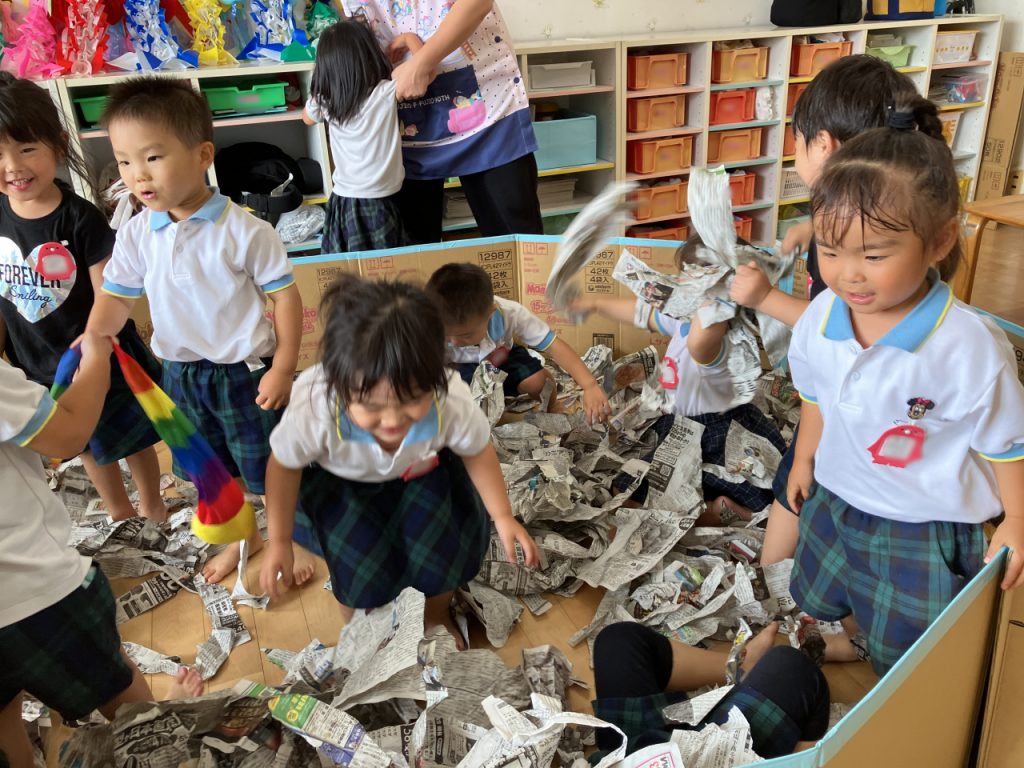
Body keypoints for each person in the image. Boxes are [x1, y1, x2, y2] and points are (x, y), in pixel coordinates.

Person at [786, 101, 1024, 678]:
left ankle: (894, 678)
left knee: (911, 642)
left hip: (921, 523)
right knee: (837, 590)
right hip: (839, 496)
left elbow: (1006, 443)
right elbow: (816, 393)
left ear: (940, 242)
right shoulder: (822, 314)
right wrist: (804, 458)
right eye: (830, 251)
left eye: (874, 255)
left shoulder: (967, 346)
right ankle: (856, 640)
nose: (849, 274)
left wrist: (1017, 519)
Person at [84, 77, 315, 586]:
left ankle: (288, 539)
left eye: (152, 157)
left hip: (244, 374)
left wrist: (282, 368)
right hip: (181, 375)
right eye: (124, 162)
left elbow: (285, 297)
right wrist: (96, 336)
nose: (138, 175)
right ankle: (244, 538)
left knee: (268, 465)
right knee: (213, 469)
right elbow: (117, 296)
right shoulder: (137, 233)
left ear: (202, 154)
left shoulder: (246, 231)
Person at [728, 55, 949, 569]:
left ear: (823, 145)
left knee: (796, 487)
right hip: (860, 404)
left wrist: (764, 299)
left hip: (856, 403)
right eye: (830, 248)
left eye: (797, 144)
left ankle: (770, 576)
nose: (844, 263)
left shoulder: (855, 283)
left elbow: (839, 328)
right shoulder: (900, 220)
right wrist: (811, 230)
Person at [259, 276, 540, 647]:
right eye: (371, 406)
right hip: (347, 494)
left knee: (441, 560)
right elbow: (283, 467)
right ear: (339, 384)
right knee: (357, 575)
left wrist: (502, 516)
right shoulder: (315, 401)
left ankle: (435, 615)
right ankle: (361, 631)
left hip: (426, 481)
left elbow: (477, 451)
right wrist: (279, 541)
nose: (392, 421)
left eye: (411, 400)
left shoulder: (449, 395)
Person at [0, 339, 202, 768]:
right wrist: (95, 363)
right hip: (36, 590)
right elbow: (68, 436)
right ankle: (154, 737)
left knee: (3, 720)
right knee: (118, 688)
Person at [0, 73, 165, 523]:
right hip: (38, 361)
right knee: (86, 444)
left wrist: (95, 346)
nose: (13, 166)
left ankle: (152, 503)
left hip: (100, 356)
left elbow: (110, 292)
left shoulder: (80, 218)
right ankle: (120, 512)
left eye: (26, 148)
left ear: (57, 145)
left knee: (131, 437)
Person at [570, 245, 787, 522]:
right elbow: (643, 314)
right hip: (681, 422)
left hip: (717, 432)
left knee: (748, 494)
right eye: (680, 277)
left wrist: (719, 298)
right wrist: (595, 304)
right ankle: (708, 501)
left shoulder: (718, 338)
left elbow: (699, 341)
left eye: (691, 280)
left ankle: (729, 510)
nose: (678, 285)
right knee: (626, 492)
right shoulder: (685, 318)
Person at [343, 0, 543, 243]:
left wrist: (421, 63)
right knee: (412, 249)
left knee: (514, 238)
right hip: (399, 102)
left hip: (488, 100)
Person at [591, 622, 829, 758]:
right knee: (790, 667)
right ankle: (800, 761)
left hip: (633, 754)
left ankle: (739, 668)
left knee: (618, 641)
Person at [426, 262, 611, 424]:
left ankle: (552, 405)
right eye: (447, 335)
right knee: (460, 407)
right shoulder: (429, 325)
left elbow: (554, 345)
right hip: (458, 367)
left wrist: (590, 385)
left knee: (539, 382)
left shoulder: (510, 313)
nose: (454, 341)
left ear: (491, 313)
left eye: (465, 335)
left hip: (501, 356)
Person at [303, 17, 408, 253]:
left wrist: (320, 92)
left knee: (349, 266)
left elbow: (307, 119)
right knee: (385, 267)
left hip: (342, 200)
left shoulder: (326, 101)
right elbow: (426, 73)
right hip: (378, 201)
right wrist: (409, 39)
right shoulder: (385, 92)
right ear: (368, 56)